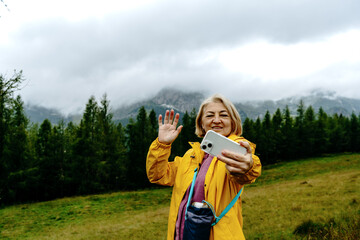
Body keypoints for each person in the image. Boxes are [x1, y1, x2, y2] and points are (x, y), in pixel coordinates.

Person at [146, 94, 261, 240]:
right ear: (201, 123)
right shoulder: (191, 155)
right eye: (210, 115)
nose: (217, 120)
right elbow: (157, 175)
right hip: (182, 234)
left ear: (233, 122)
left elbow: (249, 169)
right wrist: (162, 145)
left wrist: (248, 166)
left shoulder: (237, 151)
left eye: (224, 115)